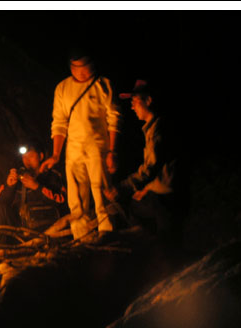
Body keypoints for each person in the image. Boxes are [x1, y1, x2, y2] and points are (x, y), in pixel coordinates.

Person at [40, 51, 120, 242]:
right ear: (71, 67)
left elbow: (114, 118)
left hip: (97, 145)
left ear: (92, 65)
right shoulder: (63, 88)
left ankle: (107, 232)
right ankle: (82, 236)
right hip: (73, 149)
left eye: (86, 67)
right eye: (78, 68)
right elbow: (59, 122)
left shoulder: (103, 84)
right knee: (75, 195)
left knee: (101, 189)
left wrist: (112, 151)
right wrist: (56, 154)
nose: (83, 72)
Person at [105, 79, 178, 245]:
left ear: (148, 101)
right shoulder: (153, 128)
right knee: (136, 207)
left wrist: (122, 187)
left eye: (135, 102)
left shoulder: (158, 131)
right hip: (161, 193)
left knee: (136, 213)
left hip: (166, 197)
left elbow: (151, 168)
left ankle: (150, 249)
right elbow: (158, 168)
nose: (132, 107)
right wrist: (145, 189)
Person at [0, 140, 68, 233]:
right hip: (20, 228)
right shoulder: (18, 177)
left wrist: (37, 187)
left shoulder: (52, 176)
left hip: (46, 227)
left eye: (30, 156)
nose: (27, 160)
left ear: (41, 156)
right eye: (24, 157)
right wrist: (9, 187)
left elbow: (62, 202)